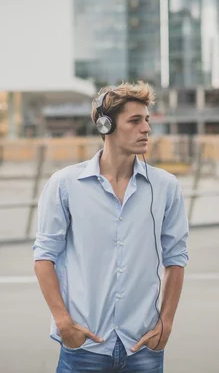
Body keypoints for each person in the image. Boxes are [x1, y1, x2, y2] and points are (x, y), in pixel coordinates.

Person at [33, 81, 189, 372]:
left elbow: (176, 259)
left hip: (142, 346)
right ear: (105, 126)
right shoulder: (65, 185)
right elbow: (44, 257)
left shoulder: (165, 187)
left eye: (146, 120)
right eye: (134, 121)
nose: (146, 129)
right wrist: (63, 322)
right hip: (85, 345)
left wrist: (165, 324)